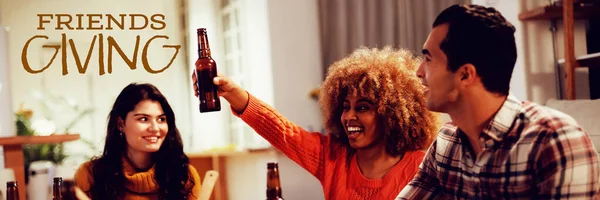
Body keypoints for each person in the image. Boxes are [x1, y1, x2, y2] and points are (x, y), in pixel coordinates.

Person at [396, 4, 600, 199]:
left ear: (465, 75)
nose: (418, 72)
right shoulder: (446, 142)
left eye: (429, 59)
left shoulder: (554, 141)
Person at [194, 47, 439, 200]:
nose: (349, 116)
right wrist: (231, 92)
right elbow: (282, 132)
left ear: (391, 113)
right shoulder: (332, 157)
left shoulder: (421, 168)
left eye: (362, 108)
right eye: (345, 106)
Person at [74, 83, 202, 199]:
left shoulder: (184, 176)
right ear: (120, 124)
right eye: (143, 119)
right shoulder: (90, 175)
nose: (155, 128)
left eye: (161, 119)